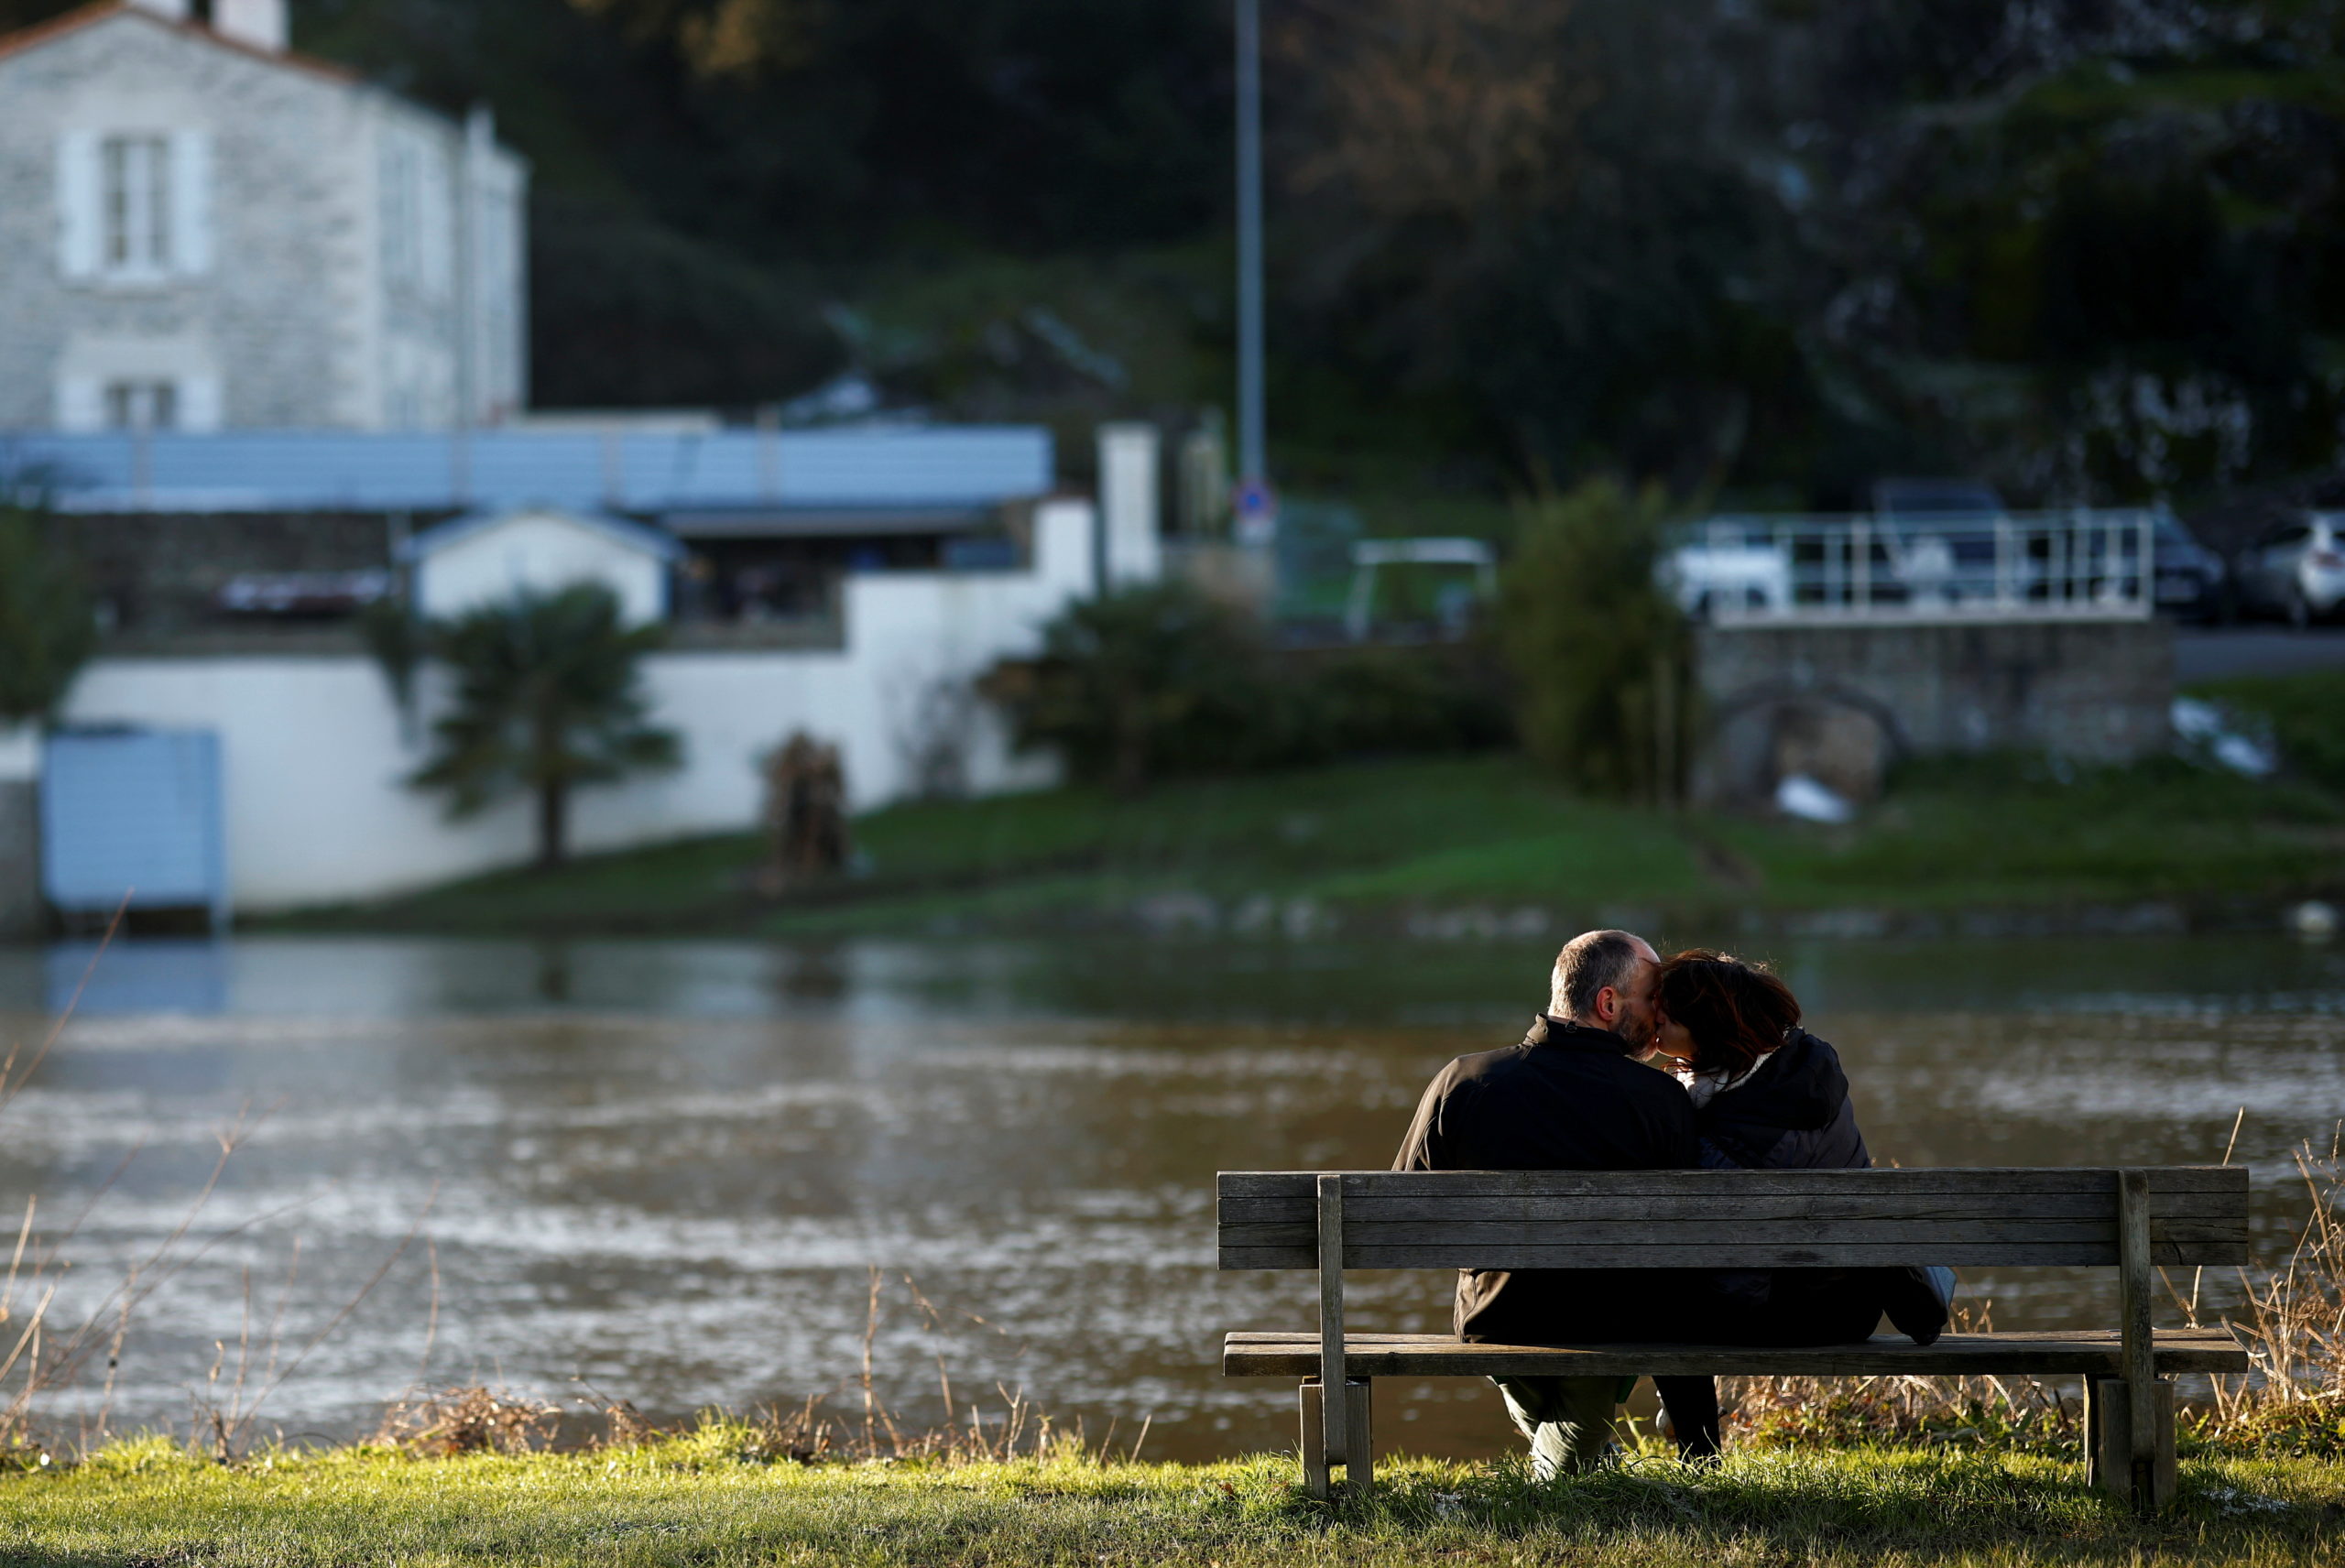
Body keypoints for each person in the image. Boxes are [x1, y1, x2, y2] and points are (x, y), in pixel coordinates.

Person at [1391, 929, 1707, 1478]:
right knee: (1573, 1456)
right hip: (1611, 1329)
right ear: (1608, 1003)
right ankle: (1571, 1478)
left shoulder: (1464, 1081)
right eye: (1653, 998)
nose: (1661, 1015)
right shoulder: (1659, 1102)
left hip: (1495, 1318)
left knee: (1571, 1446)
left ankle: (1582, 1472)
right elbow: (1681, 1239)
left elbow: (1396, 1212)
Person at [1640, 949, 1956, 1460]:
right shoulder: (1795, 1072)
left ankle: (1699, 1459)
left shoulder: (1735, 1129)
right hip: (1848, 1304)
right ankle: (1691, 1435)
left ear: (1709, 1029)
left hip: (1792, 1308)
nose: (1654, 1019)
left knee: (1661, 1305)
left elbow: (1726, 1252)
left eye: (1667, 1016)